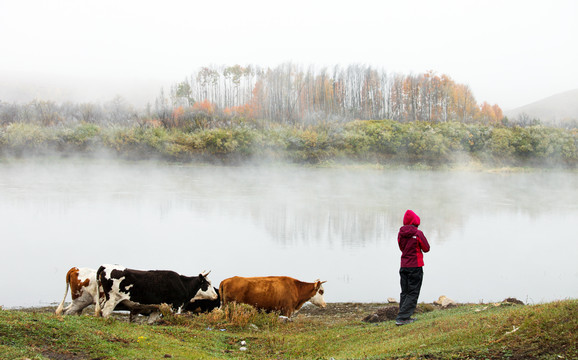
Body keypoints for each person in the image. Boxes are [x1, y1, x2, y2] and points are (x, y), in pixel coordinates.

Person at [396, 209, 430, 326]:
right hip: (415, 266)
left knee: (404, 292)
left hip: (404, 266)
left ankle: (404, 315)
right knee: (413, 292)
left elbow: (401, 247)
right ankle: (403, 318)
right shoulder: (418, 233)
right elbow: (426, 248)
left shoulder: (400, 233)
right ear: (416, 221)